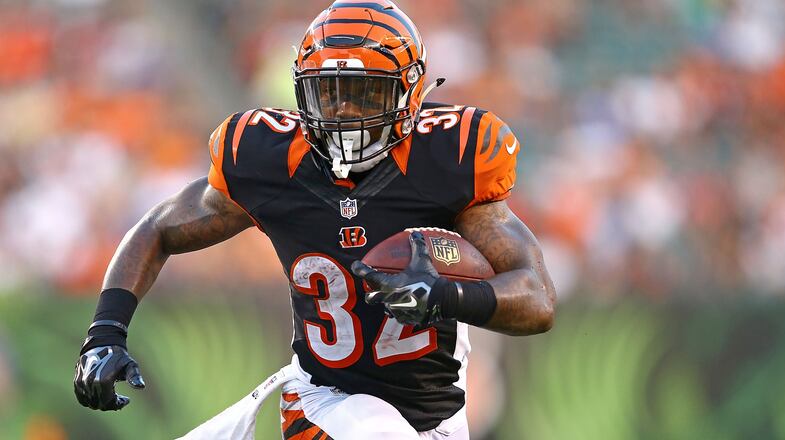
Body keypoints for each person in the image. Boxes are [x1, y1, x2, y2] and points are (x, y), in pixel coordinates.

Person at [73, 1, 556, 438]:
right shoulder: (272, 160)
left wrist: (448, 295)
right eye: (330, 94)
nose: (345, 113)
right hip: (323, 401)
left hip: (436, 418)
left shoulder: (448, 159)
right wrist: (105, 332)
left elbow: (537, 299)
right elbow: (158, 228)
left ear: (409, 94)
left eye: (364, 95)